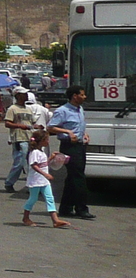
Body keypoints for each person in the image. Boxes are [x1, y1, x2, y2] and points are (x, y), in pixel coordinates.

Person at [48, 86, 93, 220]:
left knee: (72, 177)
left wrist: (84, 134)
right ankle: (81, 208)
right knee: (79, 177)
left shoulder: (80, 109)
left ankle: (66, 208)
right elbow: (50, 127)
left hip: (80, 146)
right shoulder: (63, 111)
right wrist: (67, 132)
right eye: (82, 95)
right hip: (69, 147)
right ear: (75, 96)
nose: (84, 97)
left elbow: (77, 126)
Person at [22, 129, 70, 228]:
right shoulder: (34, 152)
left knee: (50, 198)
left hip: (43, 181)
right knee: (33, 199)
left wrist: (51, 158)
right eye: (46, 140)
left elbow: (43, 164)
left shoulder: (41, 151)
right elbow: (34, 165)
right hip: (35, 180)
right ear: (41, 141)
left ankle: (55, 220)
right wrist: (45, 174)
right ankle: (25, 217)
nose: (48, 142)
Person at [2, 87, 34, 192]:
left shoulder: (28, 109)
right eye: (23, 94)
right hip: (19, 139)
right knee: (20, 162)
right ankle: (9, 182)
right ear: (18, 95)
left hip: (29, 138)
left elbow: (32, 123)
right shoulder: (12, 109)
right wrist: (19, 126)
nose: (26, 96)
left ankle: (31, 186)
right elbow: (7, 123)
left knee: (31, 163)